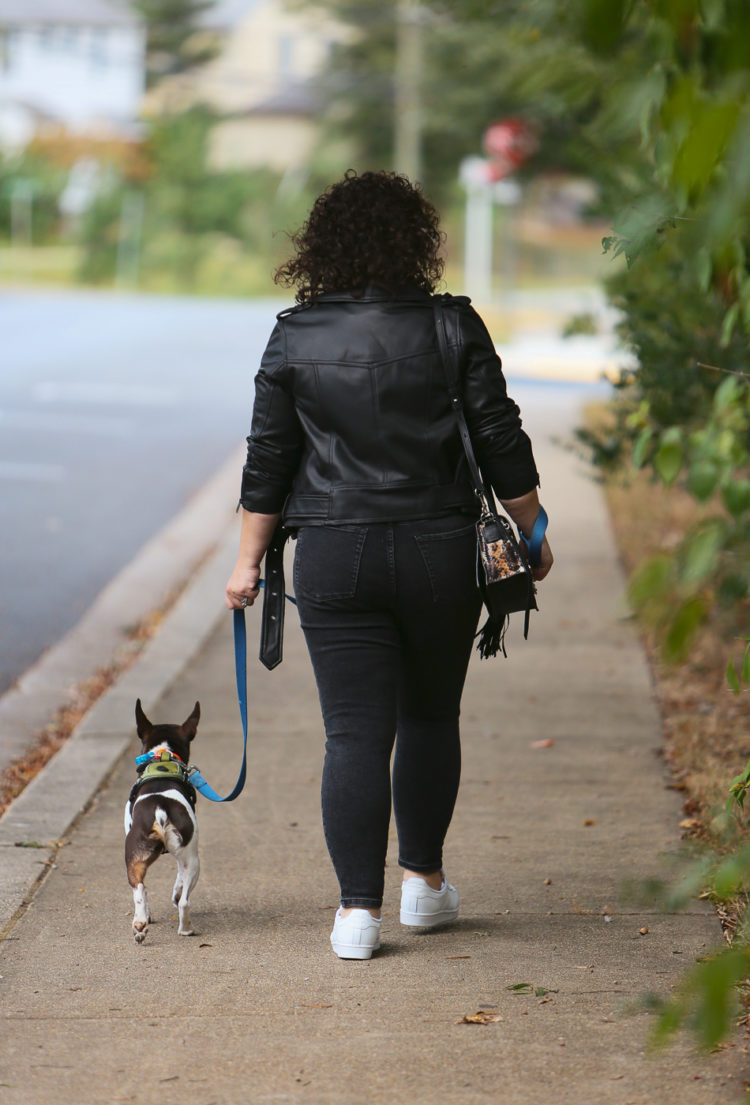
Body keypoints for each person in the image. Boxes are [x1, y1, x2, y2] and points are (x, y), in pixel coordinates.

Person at [225, 169, 553, 960]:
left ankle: (355, 915)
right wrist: (533, 530)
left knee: (352, 732)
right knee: (430, 716)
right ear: (418, 243)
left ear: (323, 247)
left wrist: (247, 563)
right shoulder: (452, 327)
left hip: (336, 554)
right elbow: (499, 435)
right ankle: (423, 887)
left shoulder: (294, 334)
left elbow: (269, 458)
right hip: (441, 548)